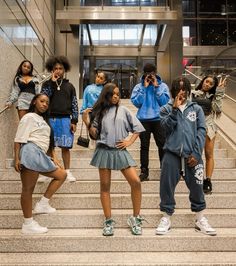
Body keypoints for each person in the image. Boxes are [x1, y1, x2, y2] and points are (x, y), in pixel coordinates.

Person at [82, 82, 145, 236]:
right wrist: (87, 122)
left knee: (136, 182)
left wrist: (129, 141)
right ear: (106, 95)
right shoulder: (99, 112)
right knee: (105, 187)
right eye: (113, 94)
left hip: (119, 150)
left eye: (118, 94)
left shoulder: (124, 110)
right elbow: (94, 135)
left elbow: (137, 128)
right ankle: (108, 221)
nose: (116, 96)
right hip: (103, 150)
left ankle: (135, 218)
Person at [156, 77, 216, 236]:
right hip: (171, 154)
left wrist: (196, 153)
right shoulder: (165, 109)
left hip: (192, 155)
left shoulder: (196, 109)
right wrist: (175, 110)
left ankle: (200, 219)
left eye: (184, 89)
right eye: (178, 89)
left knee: (197, 187)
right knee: (166, 186)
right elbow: (165, 130)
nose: (181, 92)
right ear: (173, 91)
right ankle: (166, 218)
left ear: (188, 91)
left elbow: (201, 131)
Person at [14, 94, 67, 234]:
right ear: (34, 102)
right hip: (30, 151)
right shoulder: (28, 117)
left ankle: (42, 204)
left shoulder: (44, 121)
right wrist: (17, 158)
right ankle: (28, 224)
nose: (44, 104)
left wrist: (53, 157)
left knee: (62, 174)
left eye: (47, 103)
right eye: (42, 101)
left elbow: (47, 143)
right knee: (28, 189)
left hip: (40, 154)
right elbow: (19, 138)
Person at [41, 56, 79, 182]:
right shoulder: (47, 84)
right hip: (50, 118)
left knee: (65, 147)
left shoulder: (70, 86)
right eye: (55, 68)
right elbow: (44, 99)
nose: (58, 71)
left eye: (60, 68)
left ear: (64, 70)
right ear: (52, 70)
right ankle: (48, 171)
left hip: (65, 120)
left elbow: (74, 104)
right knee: (49, 147)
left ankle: (67, 171)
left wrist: (74, 121)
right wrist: (52, 83)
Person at [130, 63, 170, 182]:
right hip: (143, 120)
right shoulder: (138, 87)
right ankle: (144, 171)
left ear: (155, 73)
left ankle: (164, 169)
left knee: (162, 145)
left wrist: (156, 87)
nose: (150, 76)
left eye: (152, 73)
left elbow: (164, 102)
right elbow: (137, 103)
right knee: (144, 146)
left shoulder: (163, 86)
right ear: (144, 73)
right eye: (148, 73)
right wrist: (145, 88)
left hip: (159, 119)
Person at [192, 75, 226, 194]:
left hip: (208, 125)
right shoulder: (192, 93)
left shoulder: (213, 97)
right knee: (195, 153)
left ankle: (208, 181)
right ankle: (195, 177)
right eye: (207, 81)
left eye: (211, 84)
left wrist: (220, 92)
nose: (207, 84)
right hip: (193, 126)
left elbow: (217, 109)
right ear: (203, 81)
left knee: (208, 154)